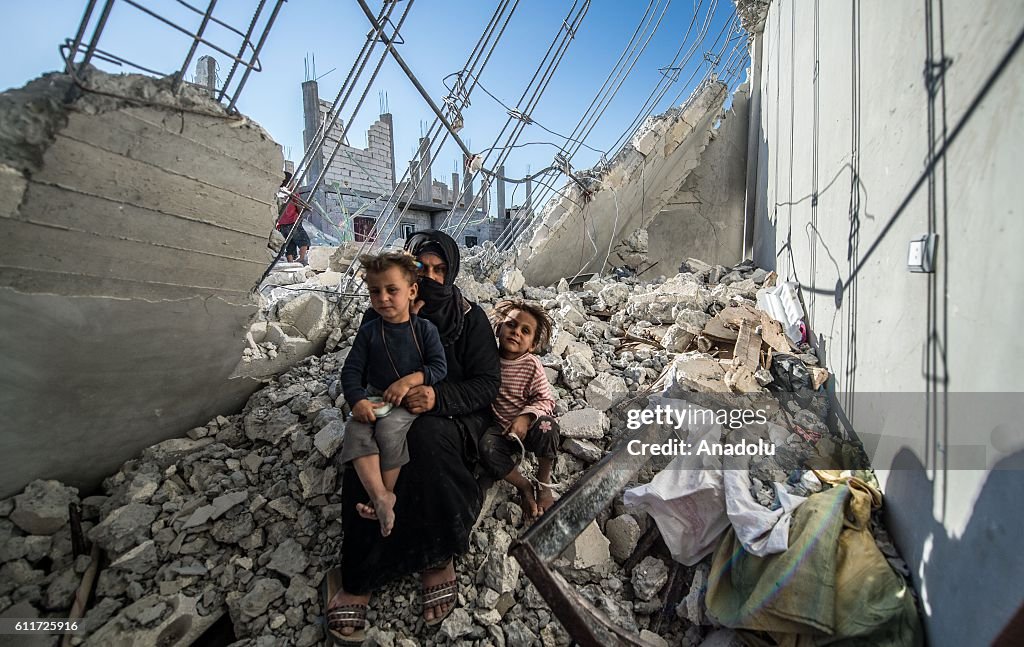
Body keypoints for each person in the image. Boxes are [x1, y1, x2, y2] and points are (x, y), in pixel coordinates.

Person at [325, 230, 501, 644]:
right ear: (412, 273)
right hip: (393, 408)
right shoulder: (384, 314)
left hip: (453, 415)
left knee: (424, 440)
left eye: (443, 270)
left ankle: (436, 557)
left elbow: (486, 384)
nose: (435, 278)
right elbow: (361, 370)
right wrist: (367, 400)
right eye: (425, 269)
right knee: (368, 443)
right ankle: (360, 573)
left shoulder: (469, 317)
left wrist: (436, 396)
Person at [338, 251, 447, 538]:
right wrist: (357, 400)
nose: (383, 298)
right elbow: (351, 371)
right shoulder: (370, 332)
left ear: (412, 291)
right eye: (375, 291)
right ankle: (380, 496)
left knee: (388, 430)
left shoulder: (425, 330)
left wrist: (410, 381)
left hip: (406, 401)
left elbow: (439, 367)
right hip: (376, 397)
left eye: (392, 290)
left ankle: (387, 492)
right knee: (356, 430)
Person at [478, 299, 560, 521]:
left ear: (533, 344)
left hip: (529, 428)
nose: (516, 333)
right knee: (486, 447)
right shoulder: (488, 359)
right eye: (511, 325)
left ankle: (543, 482)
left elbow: (546, 399)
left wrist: (525, 416)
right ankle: (524, 486)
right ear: (498, 328)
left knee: (548, 426)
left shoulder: (531, 364)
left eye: (526, 331)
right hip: (501, 431)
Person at [277, 172, 311, 265]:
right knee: (303, 240)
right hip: (293, 222)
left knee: (289, 244)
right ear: (290, 182)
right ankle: (301, 258)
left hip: (281, 225)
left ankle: (290, 262)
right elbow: (299, 206)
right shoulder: (292, 193)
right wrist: (301, 215)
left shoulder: (278, 194)